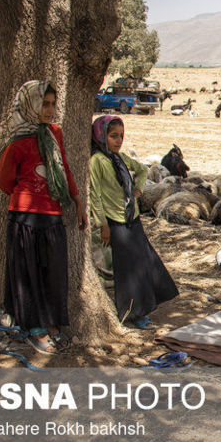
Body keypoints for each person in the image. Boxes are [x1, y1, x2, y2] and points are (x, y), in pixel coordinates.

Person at [0, 80, 86, 355]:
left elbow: (64, 168)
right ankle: (35, 327)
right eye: (43, 104)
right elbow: (4, 181)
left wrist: (78, 201)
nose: (49, 109)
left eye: (52, 104)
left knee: (54, 273)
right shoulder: (17, 142)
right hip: (24, 218)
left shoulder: (54, 133)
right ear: (30, 105)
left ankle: (52, 323)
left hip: (52, 215)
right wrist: (29, 194)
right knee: (28, 273)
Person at [89, 115, 178, 330]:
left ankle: (147, 305)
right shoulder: (97, 161)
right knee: (128, 268)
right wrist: (103, 224)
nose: (118, 141)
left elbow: (141, 169)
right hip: (116, 222)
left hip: (132, 217)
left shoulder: (119, 159)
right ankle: (133, 312)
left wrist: (137, 188)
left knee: (144, 261)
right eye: (113, 136)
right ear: (101, 136)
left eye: (121, 136)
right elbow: (95, 194)